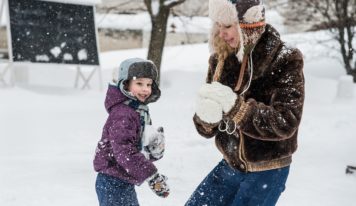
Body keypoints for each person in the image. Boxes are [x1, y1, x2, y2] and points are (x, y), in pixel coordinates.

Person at [185, 0, 305, 205]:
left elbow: (286, 122)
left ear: (248, 26)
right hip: (231, 163)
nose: (221, 33)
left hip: (267, 169)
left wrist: (238, 109)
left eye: (228, 26)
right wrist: (206, 119)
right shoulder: (221, 58)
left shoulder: (284, 59)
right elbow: (208, 128)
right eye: (218, 26)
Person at [93, 58, 169, 206]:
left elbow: (133, 148)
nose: (145, 89)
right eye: (139, 83)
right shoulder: (124, 114)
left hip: (122, 180)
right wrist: (151, 174)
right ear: (125, 84)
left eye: (149, 84)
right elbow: (124, 152)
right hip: (112, 182)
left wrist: (151, 151)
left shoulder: (137, 110)